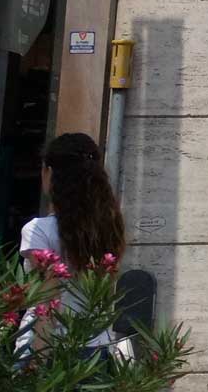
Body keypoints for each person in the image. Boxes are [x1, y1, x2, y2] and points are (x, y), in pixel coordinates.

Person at [18, 132, 128, 356]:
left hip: (50, 347)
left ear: (49, 173)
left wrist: (37, 360)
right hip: (97, 348)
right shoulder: (109, 228)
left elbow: (48, 300)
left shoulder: (38, 230)